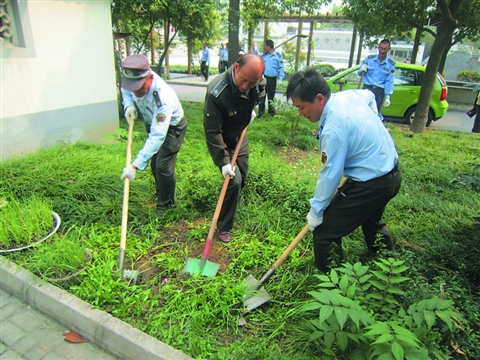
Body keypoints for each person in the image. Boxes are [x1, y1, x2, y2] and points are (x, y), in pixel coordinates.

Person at [286, 69, 402, 273]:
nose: (301, 113)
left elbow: (330, 174)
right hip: (391, 173)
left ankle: (335, 284)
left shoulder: (333, 128)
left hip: (373, 183)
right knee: (372, 220)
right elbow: (370, 96)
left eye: (302, 107)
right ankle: (389, 266)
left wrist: (316, 212)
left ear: (319, 98)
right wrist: (377, 121)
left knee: (324, 233)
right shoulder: (348, 95)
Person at [203, 54, 266, 243]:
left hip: (240, 134)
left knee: (243, 175)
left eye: (252, 83)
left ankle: (229, 204)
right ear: (236, 67)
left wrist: (252, 108)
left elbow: (259, 94)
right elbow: (212, 132)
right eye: (244, 80)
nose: (246, 86)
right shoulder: (217, 92)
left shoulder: (258, 81)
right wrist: (223, 162)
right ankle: (223, 226)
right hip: (223, 138)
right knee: (234, 180)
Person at [120, 54, 188, 218]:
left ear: (149, 77)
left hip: (172, 127)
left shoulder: (163, 97)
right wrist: (129, 106)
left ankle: (167, 205)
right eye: (133, 87)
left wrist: (134, 166)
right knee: (153, 162)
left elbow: (158, 136)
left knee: (163, 165)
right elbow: (125, 90)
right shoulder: (131, 81)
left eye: (139, 87)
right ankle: (161, 193)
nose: (135, 92)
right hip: (152, 122)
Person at [358, 39, 395, 113]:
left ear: (389, 49)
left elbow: (389, 81)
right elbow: (360, 73)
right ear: (378, 48)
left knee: (375, 114)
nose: (382, 51)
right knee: (362, 111)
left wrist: (387, 96)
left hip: (379, 92)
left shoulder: (391, 64)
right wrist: (362, 70)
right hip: (367, 88)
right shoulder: (369, 59)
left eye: (385, 49)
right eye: (381, 48)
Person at [260, 39, 285, 117]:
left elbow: (281, 68)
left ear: (268, 46)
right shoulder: (263, 56)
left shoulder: (278, 56)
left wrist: (280, 79)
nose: (264, 47)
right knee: (262, 96)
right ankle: (261, 113)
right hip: (263, 78)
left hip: (272, 79)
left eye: (265, 45)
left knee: (271, 96)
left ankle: (271, 113)